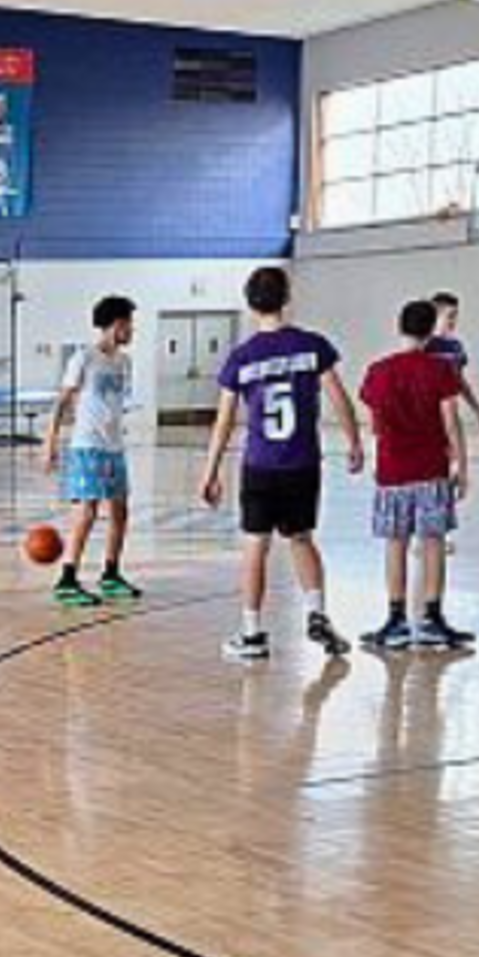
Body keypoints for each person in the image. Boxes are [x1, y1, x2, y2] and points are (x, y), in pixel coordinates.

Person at [200, 266, 362, 661]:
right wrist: (355, 440)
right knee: (302, 538)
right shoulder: (312, 346)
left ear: (249, 303)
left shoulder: (241, 358)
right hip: (303, 463)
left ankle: (252, 633)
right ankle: (317, 613)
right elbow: (340, 397)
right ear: (287, 297)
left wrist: (211, 471)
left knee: (257, 545)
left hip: (261, 465)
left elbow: (223, 420)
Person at [359, 299, 475, 650]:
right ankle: (431, 619)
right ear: (430, 330)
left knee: (396, 544)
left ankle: (395, 620)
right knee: (433, 542)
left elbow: (374, 422)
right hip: (431, 469)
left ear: (401, 327)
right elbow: (451, 422)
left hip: (392, 470)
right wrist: (462, 465)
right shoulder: (440, 370)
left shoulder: (378, 371)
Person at [43, 296, 141, 607]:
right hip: (87, 445)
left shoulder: (124, 362)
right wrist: (50, 442)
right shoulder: (83, 357)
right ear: (117, 324)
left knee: (120, 512)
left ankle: (111, 574)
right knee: (86, 512)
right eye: (129, 323)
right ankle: (67, 579)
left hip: (114, 446)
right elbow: (62, 401)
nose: (133, 329)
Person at [426, 291, 479, 431]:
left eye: (456, 316)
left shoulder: (456, 347)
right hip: (423, 415)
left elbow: (460, 382)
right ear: (435, 316)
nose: (454, 321)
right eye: (450, 316)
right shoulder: (424, 346)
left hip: (448, 414)